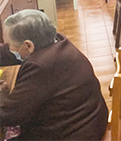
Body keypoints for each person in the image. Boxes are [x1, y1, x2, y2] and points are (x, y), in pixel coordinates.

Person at [0, 10, 108, 140]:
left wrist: (3, 94)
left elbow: (10, 114)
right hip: (90, 122)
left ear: (28, 45)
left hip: (74, 133)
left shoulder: (40, 67)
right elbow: (9, 53)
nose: (10, 49)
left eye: (11, 45)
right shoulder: (56, 42)